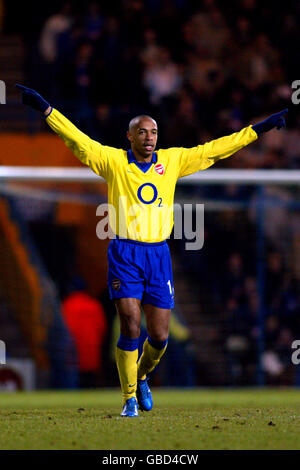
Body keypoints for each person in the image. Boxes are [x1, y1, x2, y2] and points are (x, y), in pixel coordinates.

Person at [15, 83, 287, 417]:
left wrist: (258, 129)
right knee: (130, 323)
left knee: (158, 336)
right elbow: (77, 139)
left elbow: (216, 149)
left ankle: (141, 374)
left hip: (158, 256)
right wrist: (46, 108)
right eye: (142, 132)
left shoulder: (172, 162)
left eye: (154, 132)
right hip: (125, 253)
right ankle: (128, 397)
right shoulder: (113, 162)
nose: (149, 137)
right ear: (129, 136)